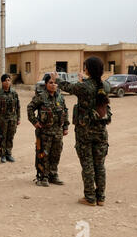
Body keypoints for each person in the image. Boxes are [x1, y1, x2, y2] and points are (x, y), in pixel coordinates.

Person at [51, 57, 112, 207]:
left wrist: (56, 79)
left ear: (88, 69)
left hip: (85, 132)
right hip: (101, 132)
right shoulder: (105, 85)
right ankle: (101, 197)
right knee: (100, 165)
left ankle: (90, 197)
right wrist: (84, 80)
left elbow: (68, 87)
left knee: (87, 165)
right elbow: (94, 86)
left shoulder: (84, 87)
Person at [27, 74, 69, 187]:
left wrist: (66, 127)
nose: (53, 85)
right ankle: (43, 176)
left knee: (56, 154)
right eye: (51, 82)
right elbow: (30, 108)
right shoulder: (41, 96)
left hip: (58, 132)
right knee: (43, 155)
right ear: (46, 84)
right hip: (44, 132)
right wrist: (35, 122)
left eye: (55, 82)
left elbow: (65, 111)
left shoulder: (60, 97)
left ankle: (53, 175)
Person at [0, 74, 21, 163]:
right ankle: (2, 154)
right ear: (2, 82)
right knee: (2, 137)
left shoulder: (14, 93)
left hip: (12, 119)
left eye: (9, 80)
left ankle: (9, 153)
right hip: (2, 119)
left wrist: (18, 118)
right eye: (5, 80)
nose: (7, 82)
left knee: (10, 136)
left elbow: (17, 106)